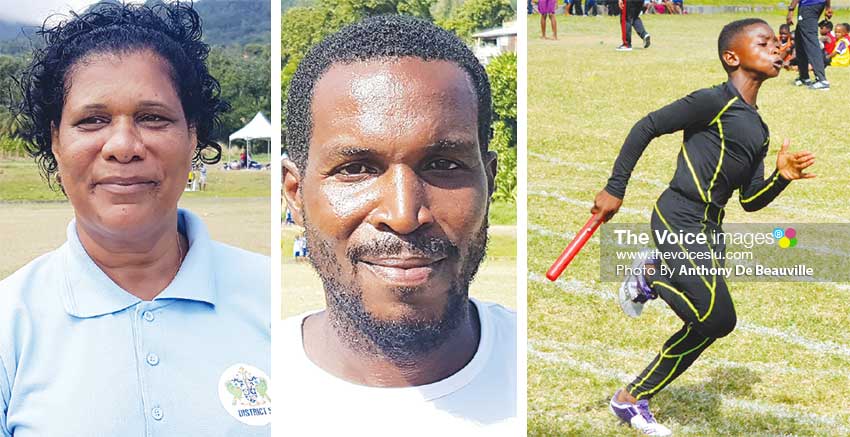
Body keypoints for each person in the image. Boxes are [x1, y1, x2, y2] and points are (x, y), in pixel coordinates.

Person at [1, 3, 270, 436]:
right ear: (55, 139)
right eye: (92, 120)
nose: (123, 146)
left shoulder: (269, 297)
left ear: (193, 134)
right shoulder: (10, 322)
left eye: (152, 118)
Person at [281, 15, 517, 434]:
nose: (404, 216)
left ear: (490, 182)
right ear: (295, 194)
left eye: (443, 165)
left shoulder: (528, 370)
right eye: (355, 169)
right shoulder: (249, 385)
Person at [593, 19, 815, 435]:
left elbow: (749, 201)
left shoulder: (759, 130)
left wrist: (782, 177)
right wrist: (614, 187)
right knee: (718, 316)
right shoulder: (714, 101)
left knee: (713, 323)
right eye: (763, 43)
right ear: (732, 57)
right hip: (678, 215)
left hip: (711, 228)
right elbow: (647, 126)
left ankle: (631, 396)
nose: (776, 49)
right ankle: (652, 277)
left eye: (777, 43)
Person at [787, 0, 832, 89]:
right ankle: (804, 77)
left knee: (811, 42)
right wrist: (828, 6)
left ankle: (822, 80)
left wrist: (791, 10)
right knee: (799, 40)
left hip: (809, 6)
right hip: (818, 4)